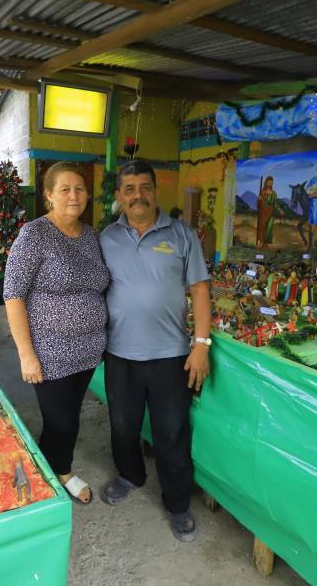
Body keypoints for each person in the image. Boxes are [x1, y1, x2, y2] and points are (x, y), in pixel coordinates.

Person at [99, 159, 211, 542]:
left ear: (155, 190)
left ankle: (178, 503)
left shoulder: (182, 235)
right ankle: (131, 475)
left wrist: (201, 346)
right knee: (123, 426)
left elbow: (199, 290)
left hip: (170, 355)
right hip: (119, 353)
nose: (137, 196)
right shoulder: (106, 238)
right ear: (119, 197)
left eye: (144, 187)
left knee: (171, 432)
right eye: (129, 189)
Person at [4, 162, 110, 505]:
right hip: (50, 351)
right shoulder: (34, 234)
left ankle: (47, 465)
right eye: (64, 189)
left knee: (69, 414)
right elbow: (13, 294)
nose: (73, 196)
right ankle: (61, 473)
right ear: (49, 195)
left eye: (79, 189)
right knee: (60, 420)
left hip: (89, 349)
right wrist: (26, 354)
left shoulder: (92, 236)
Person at [255, 175, 277, 248]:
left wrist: (279, 210)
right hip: (263, 212)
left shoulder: (274, 193)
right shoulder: (263, 192)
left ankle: (265, 244)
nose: (270, 184)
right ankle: (260, 242)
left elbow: (275, 203)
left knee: (269, 228)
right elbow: (258, 204)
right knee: (262, 227)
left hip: (270, 212)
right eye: (269, 182)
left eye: (271, 182)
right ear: (266, 183)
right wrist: (259, 199)